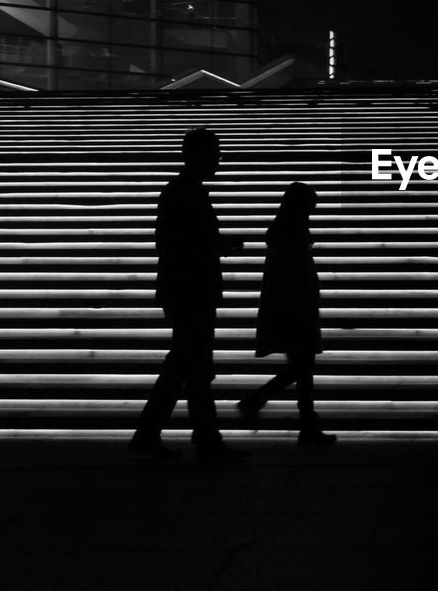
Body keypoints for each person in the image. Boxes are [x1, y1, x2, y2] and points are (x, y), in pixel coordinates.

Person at [130, 127, 247, 464]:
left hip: (185, 291)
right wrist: (219, 246)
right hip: (191, 291)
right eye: (215, 153)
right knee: (188, 366)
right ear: (199, 155)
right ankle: (180, 437)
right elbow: (181, 244)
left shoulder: (183, 192)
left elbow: (174, 242)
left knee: (189, 367)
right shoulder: (185, 193)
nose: (219, 160)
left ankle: (186, 437)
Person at [237, 182, 337, 446]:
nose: (314, 208)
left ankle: (304, 425)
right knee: (303, 367)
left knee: (302, 368)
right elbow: (295, 275)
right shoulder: (291, 233)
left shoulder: (285, 230)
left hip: (290, 308)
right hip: (296, 309)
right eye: (311, 202)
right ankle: (259, 402)